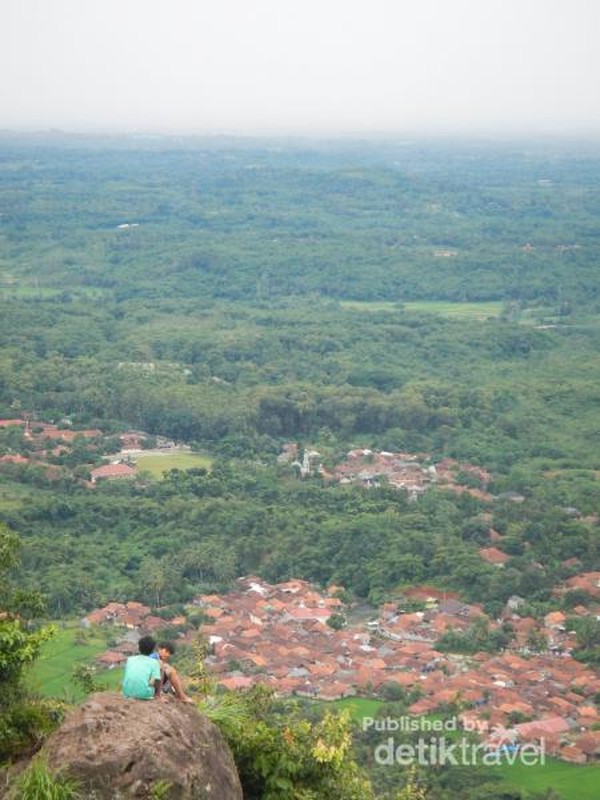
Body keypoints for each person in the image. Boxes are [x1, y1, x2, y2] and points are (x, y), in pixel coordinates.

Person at [122, 635, 161, 700]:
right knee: (156, 677)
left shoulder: (130, 659)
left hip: (126, 692)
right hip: (144, 694)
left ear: (139, 648)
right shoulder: (154, 662)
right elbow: (157, 681)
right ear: (152, 650)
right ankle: (158, 695)